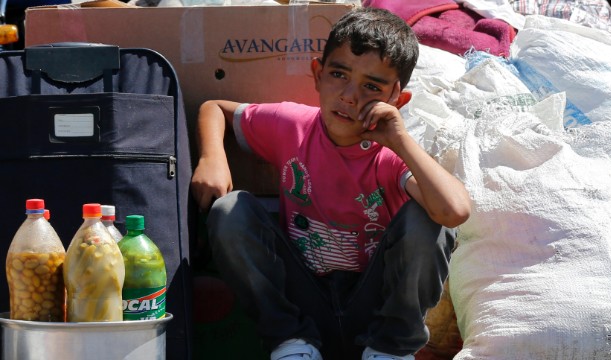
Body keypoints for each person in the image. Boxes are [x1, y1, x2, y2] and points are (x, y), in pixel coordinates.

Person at [190, 6, 471, 360]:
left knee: (429, 217)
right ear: (318, 74)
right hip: (304, 305)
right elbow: (214, 107)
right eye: (339, 74)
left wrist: (400, 139)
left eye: (372, 86)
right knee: (230, 210)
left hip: (372, 312)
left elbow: (454, 211)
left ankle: (390, 350)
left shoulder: (392, 154)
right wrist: (212, 157)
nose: (350, 95)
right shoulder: (291, 125)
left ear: (396, 100)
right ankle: (290, 345)